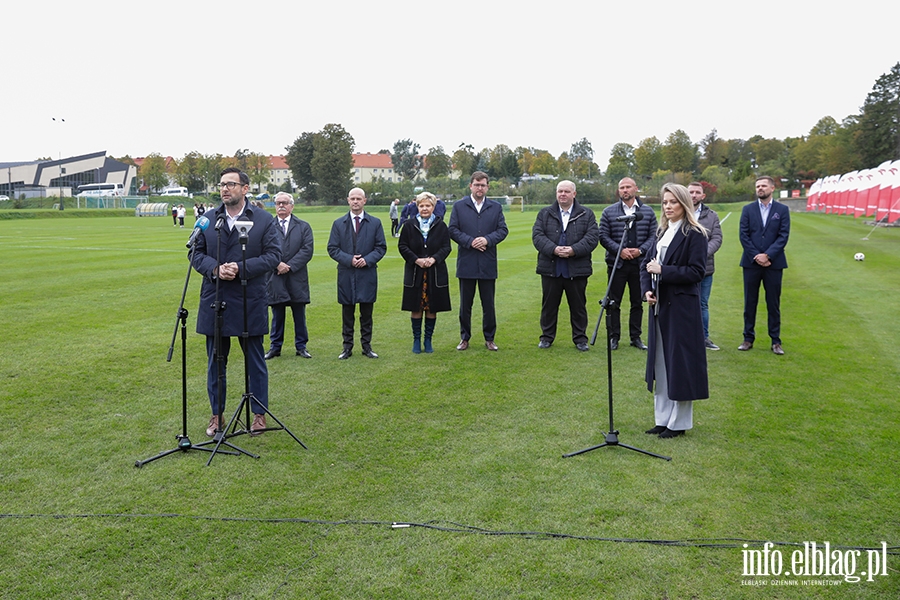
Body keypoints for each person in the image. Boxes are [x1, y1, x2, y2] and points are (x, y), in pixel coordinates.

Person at [191, 167, 281, 437]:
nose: (225, 189)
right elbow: (195, 254)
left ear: (245, 188)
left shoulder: (264, 220)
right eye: (221, 184)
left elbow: (273, 255)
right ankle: (216, 415)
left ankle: (258, 414)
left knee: (255, 361)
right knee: (215, 363)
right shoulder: (208, 220)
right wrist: (216, 269)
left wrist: (240, 267)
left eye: (231, 184)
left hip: (248, 299)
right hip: (215, 299)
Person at [641, 183, 709, 438]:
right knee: (660, 364)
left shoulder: (695, 234)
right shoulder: (662, 232)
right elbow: (646, 266)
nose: (668, 207)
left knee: (679, 365)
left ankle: (678, 424)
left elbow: (696, 272)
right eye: (665, 202)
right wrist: (647, 290)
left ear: (684, 204)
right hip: (659, 308)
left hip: (682, 310)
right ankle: (662, 419)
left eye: (673, 202)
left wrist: (664, 272)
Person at [532, 180, 600, 351]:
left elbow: (592, 238)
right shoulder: (545, 213)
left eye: (566, 191)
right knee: (549, 306)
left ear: (574, 194)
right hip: (551, 268)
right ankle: (546, 337)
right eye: (560, 191)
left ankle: (580, 339)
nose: (563, 194)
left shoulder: (586, 214)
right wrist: (554, 249)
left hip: (576, 269)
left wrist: (573, 250)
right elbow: (538, 236)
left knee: (578, 307)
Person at [448, 171, 509, 351]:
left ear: (487, 187)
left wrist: (487, 240)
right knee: (465, 304)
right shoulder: (459, 206)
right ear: (471, 186)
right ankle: (464, 338)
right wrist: (470, 241)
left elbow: (502, 230)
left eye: (483, 185)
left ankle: (490, 338)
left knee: (488, 304)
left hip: (487, 262)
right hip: (467, 261)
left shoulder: (496, 207)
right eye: (477, 184)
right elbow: (452, 229)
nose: (480, 188)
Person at [598, 177, 658, 350]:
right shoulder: (609, 212)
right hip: (617, 264)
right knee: (613, 302)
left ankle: (636, 337)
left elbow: (654, 236)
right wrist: (620, 250)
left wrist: (640, 250)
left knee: (637, 302)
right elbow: (603, 236)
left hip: (640, 264)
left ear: (635, 189)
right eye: (622, 187)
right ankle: (614, 337)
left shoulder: (647, 212)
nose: (625, 190)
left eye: (628, 187)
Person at [327, 187, 387, 359]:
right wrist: (349, 259)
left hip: (367, 274)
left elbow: (381, 247)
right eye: (352, 198)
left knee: (366, 314)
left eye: (358, 199)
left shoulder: (375, 223)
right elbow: (332, 248)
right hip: (346, 274)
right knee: (347, 314)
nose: (355, 201)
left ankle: (367, 347)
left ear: (364, 201)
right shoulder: (338, 223)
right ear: (348, 200)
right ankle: (347, 348)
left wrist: (367, 260)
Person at [739, 175, 790, 355]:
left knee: (773, 303)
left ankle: (775, 341)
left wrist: (768, 255)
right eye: (757, 186)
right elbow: (744, 235)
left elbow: (783, 236)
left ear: (772, 188)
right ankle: (748, 338)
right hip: (751, 263)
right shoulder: (748, 209)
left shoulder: (782, 210)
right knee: (750, 302)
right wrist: (756, 256)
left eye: (763, 186)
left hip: (773, 264)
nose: (760, 188)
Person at [398, 192, 452, 353]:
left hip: (435, 272)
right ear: (417, 207)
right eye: (421, 205)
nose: (424, 208)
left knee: (431, 307)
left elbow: (446, 247)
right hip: (415, 271)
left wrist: (434, 259)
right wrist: (417, 260)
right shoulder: (409, 225)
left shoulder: (441, 225)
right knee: (416, 306)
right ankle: (416, 340)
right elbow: (403, 246)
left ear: (433, 207)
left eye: (428, 205)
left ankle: (428, 340)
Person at [265, 192, 314, 360]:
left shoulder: (303, 226)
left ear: (292, 206)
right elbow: (262, 248)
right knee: (277, 314)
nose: (281, 206)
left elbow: (307, 250)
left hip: (296, 276)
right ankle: (275, 347)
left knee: (299, 313)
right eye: (278, 203)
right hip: (275, 276)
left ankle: (301, 346)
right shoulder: (268, 226)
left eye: (284, 203)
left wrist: (290, 266)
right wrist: (277, 264)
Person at [688, 182, 723, 350]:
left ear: (703, 196)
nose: (694, 195)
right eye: (691, 192)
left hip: (704, 269)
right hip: (683, 269)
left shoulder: (712, 216)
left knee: (702, 304)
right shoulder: (679, 212)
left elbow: (717, 238)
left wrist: (701, 254)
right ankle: (684, 336)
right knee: (683, 302)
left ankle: (704, 337)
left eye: (697, 192)